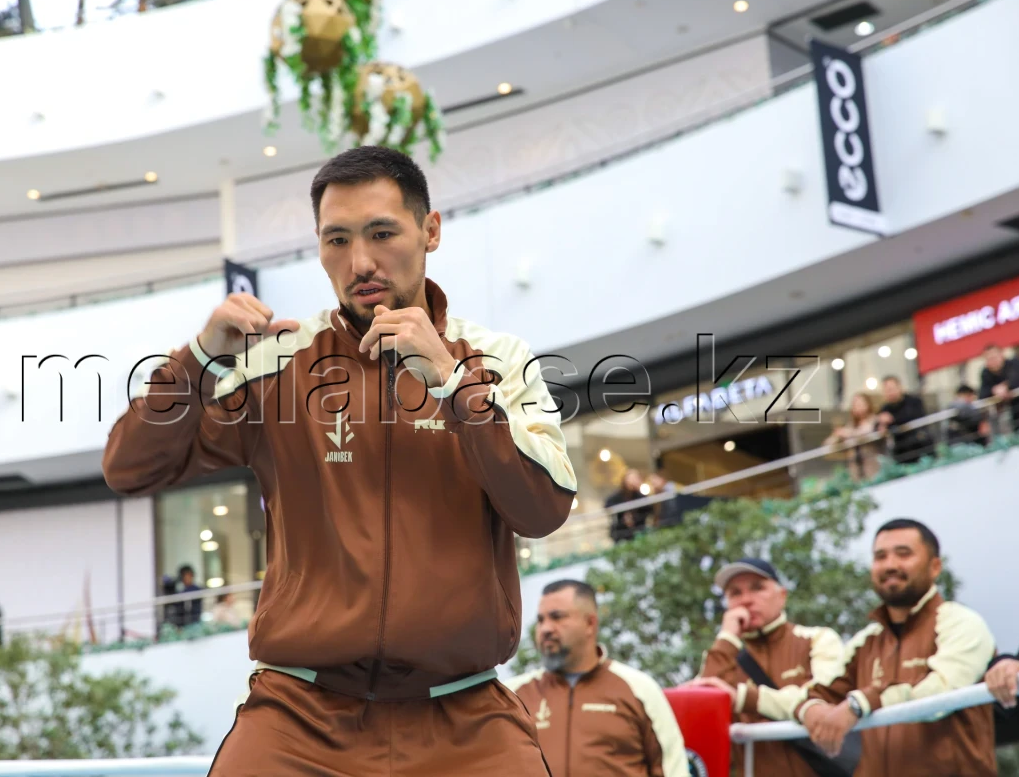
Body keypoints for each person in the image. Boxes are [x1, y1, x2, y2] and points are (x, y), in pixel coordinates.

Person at [102, 146, 576, 775]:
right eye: (337, 240)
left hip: (464, 720)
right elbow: (131, 467)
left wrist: (448, 378)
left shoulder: (495, 358)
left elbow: (542, 510)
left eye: (383, 233)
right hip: (298, 719)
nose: (360, 263)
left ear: (430, 230)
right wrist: (199, 357)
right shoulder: (279, 362)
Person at [795, 519, 996, 777]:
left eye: (904, 554)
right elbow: (821, 693)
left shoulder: (962, 623)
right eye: (880, 556)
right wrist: (810, 709)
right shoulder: (865, 641)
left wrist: (860, 703)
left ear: (935, 566)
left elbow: (939, 696)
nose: (890, 565)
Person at [506, 580, 689, 777]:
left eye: (557, 617)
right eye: (541, 620)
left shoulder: (640, 689)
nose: (545, 629)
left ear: (590, 623)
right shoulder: (514, 696)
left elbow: (673, 769)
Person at [689, 558, 843, 777]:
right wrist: (726, 637)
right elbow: (702, 708)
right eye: (735, 593)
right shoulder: (723, 654)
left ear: (782, 596)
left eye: (757, 588)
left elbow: (825, 700)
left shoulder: (817, 639)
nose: (746, 600)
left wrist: (743, 698)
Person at [824, 391, 883, 480]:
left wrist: (849, 433)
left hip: (873, 467)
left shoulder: (875, 420)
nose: (857, 406)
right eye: (855, 404)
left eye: (860, 403)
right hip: (856, 470)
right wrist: (836, 435)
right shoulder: (851, 425)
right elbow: (828, 444)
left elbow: (866, 432)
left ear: (867, 404)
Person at [876, 376, 931, 464]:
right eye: (886, 390)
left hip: (921, 447)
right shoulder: (885, 409)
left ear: (899, 387)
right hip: (901, 453)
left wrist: (892, 419)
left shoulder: (914, 402)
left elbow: (915, 418)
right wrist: (881, 425)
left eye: (891, 389)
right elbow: (877, 426)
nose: (890, 393)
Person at [978, 343, 1019, 434]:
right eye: (989, 359)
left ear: (1001, 354)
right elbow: (982, 394)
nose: (993, 361)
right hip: (1009, 419)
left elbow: (1017, 380)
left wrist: (1006, 387)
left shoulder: (1014, 364)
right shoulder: (986, 373)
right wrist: (994, 390)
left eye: (994, 357)